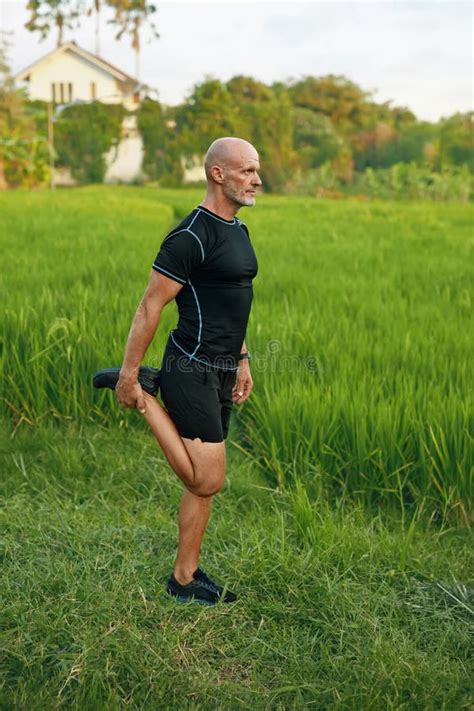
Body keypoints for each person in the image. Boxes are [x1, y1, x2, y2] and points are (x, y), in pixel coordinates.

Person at [97, 137, 262, 606]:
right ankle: (147, 397)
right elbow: (150, 307)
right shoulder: (189, 236)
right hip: (190, 367)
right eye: (247, 170)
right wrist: (130, 376)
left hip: (224, 368)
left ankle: (184, 577)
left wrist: (244, 359)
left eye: (256, 171)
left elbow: (233, 305)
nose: (257, 179)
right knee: (207, 480)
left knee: (201, 484)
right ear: (218, 174)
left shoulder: (239, 231)